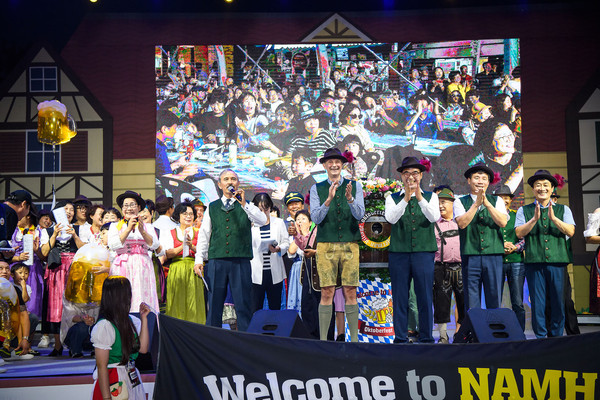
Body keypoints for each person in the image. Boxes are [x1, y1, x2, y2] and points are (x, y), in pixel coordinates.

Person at [193, 170, 267, 332]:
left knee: (243, 305)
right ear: (219, 185)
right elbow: (205, 235)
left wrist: (244, 204)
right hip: (216, 261)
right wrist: (199, 259)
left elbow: (262, 220)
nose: (230, 182)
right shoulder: (212, 207)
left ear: (238, 183)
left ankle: (246, 343)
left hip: (240, 261)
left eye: (233, 179)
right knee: (214, 305)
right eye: (226, 179)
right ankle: (213, 343)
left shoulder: (247, 206)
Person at [309, 148, 365, 342]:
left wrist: (349, 199)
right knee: (327, 291)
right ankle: (324, 341)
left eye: (337, 162)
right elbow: (315, 218)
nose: (334, 165)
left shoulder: (355, 186)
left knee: (350, 290)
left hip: (350, 244)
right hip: (325, 246)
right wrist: (329, 199)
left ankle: (355, 341)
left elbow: (359, 215)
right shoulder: (316, 188)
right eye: (330, 162)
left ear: (343, 165)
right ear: (324, 165)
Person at [385, 156, 440, 343]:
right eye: (406, 173)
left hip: (424, 253)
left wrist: (419, 197)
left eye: (415, 173)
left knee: (424, 296)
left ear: (421, 175)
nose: (411, 177)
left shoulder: (432, 197)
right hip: (399, 254)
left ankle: (426, 337)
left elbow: (433, 217)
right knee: (400, 297)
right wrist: (406, 198)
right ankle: (400, 338)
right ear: (401, 176)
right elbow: (391, 219)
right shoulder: (392, 198)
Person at [515, 170, 575, 338]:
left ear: (552, 188)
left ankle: (556, 337)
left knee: (558, 301)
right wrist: (534, 219)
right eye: (538, 185)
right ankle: (541, 338)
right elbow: (519, 233)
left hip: (558, 262)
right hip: (534, 263)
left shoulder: (564, 209)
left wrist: (554, 218)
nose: (542, 188)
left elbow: (571, 231)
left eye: (545, 185)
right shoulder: (524, 210)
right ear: (533, 189)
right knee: (538, 303)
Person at [454, 163, 507, 312]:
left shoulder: (498, 201)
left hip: (494, 256)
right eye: (476, 177)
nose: (480, 181)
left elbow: (502, 222)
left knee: (494, 297)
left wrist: (488, 204)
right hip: (471, 256)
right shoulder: (460, 201)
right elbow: (462, 224)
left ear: (489, 183)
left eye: (484, 178)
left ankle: (494, 332)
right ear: (469, 181)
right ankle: (474, 333)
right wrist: (476, 205)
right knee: (471, 300)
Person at [91, 276, 150, 400]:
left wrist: (144, 318)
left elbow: (143, 349)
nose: (130, 297)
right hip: (113, 379)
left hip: (131, 376)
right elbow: (102, 367)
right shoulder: (104, 326)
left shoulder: (132, 321)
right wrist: (107, 398)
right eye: (128, 292)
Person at [40, 200, 84, 356]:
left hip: (74, 269)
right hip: (56, 271)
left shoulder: (79, 228)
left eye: (72, 209)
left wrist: (74, 235)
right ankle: (57, 345)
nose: (69, 212)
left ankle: (74, 345)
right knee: (56, 308)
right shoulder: (48, 231)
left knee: (74, 307)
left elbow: (85, 249)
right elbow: (44, 252)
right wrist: (55, 234)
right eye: (65, 209)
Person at [108, 191, 160, 313]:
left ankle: (145, 326)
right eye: (125, 205)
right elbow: (113, 245)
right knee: (122, 298)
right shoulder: (115, 226)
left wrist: (142, 231)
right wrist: (127, 229)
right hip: (122, 265)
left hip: (142, 265)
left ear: (139, 207)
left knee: (142, 296)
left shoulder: (148, 227)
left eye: (132, 205)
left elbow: (155, 245)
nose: (129, 208)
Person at [160, 202, 206, 324]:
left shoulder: (199, 232)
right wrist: (183, 245)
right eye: (185, 213)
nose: (188, 216)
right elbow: (167, 253)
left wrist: (191, 246)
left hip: (194, 269)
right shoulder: (170, 232)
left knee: (194, 302)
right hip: (176, 269)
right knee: (176, 301)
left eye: (191, 214)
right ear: (178, 216)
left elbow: (204, 253)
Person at [433, 188, 464, 343]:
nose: (440, 206)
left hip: (461, 267)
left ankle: (463, 334)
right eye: (438, 203)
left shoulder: (461, 222)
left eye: (444, 202)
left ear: (453, 203)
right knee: (441, 303)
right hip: (440, 267)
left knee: (463, 301)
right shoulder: (433, 224)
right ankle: (443, 335)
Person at [250, 193, 289, 314]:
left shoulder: (278, 222)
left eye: (266, 208)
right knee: (255, 308)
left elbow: (286, 242)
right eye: (260, 209)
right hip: (256, 272)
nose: (263, 212)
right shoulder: (250, 224)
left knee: (275, 307)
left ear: (270, 207)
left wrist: (278, 249)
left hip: (274, 271)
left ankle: (274, 331)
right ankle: (256, 332)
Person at [494, 184, 526, 331]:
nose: (504, 200)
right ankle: (496, 331)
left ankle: (519, 332)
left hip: (516, 262)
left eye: (506, 198)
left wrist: (516, 247)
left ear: (511, 200)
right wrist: (500, 247)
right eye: (500, 198)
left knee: (518, 301)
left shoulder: (517, 215)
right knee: (495, 300)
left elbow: (526, 237)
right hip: (496, 261)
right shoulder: (491, 216)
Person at [1, 190, 33, 262]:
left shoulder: (3, 209)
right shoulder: (11, 213)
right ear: (23, 204)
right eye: (29, 209)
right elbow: (3, 243)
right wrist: (8, 252)